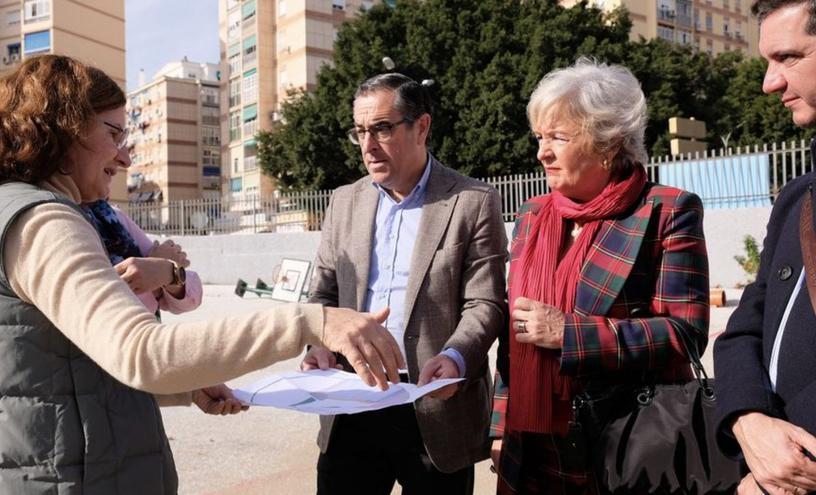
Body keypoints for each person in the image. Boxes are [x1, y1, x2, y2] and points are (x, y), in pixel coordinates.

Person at [0, 54, 403, 494]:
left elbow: (49, 373)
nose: (124, 158)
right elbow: (142, 352)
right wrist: (312, 322)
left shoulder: (4, 211)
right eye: (115, 134)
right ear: (63, 129)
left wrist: (184, 385)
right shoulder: (44, 221)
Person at [489, 59, 710, 494]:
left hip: (623, 444)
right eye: (539, 137)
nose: (541, 152)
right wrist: (501, 427)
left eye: (558, 137)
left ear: (607, 143)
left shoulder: (666, 210)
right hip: (531, 449)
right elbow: (512, 336)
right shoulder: (533, 215)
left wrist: (569, 333)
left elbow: (685, 334)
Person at [300, 73, 507, 495]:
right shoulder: (344, 201)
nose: (368, 145)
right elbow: (322, 292)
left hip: (434, 406)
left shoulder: (471, 201)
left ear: (422, 127)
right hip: (353, 399)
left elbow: (485, 302)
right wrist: (318, 343)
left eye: (381, 128)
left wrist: (457, 358)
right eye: (360, 131)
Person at [713, 1, 816, 493]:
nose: (769, 83)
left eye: (789, 57)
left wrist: (783, 461)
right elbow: (744, 327)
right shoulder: (798, 195)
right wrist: (747, 419)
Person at [82, 198, 247, 416]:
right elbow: (100, 312)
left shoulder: (110, 216)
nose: (125, 161)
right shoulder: (56, 220)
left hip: (129, 404)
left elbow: (191, 292)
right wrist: (155, 274)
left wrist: (166, 273)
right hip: (88, 412)